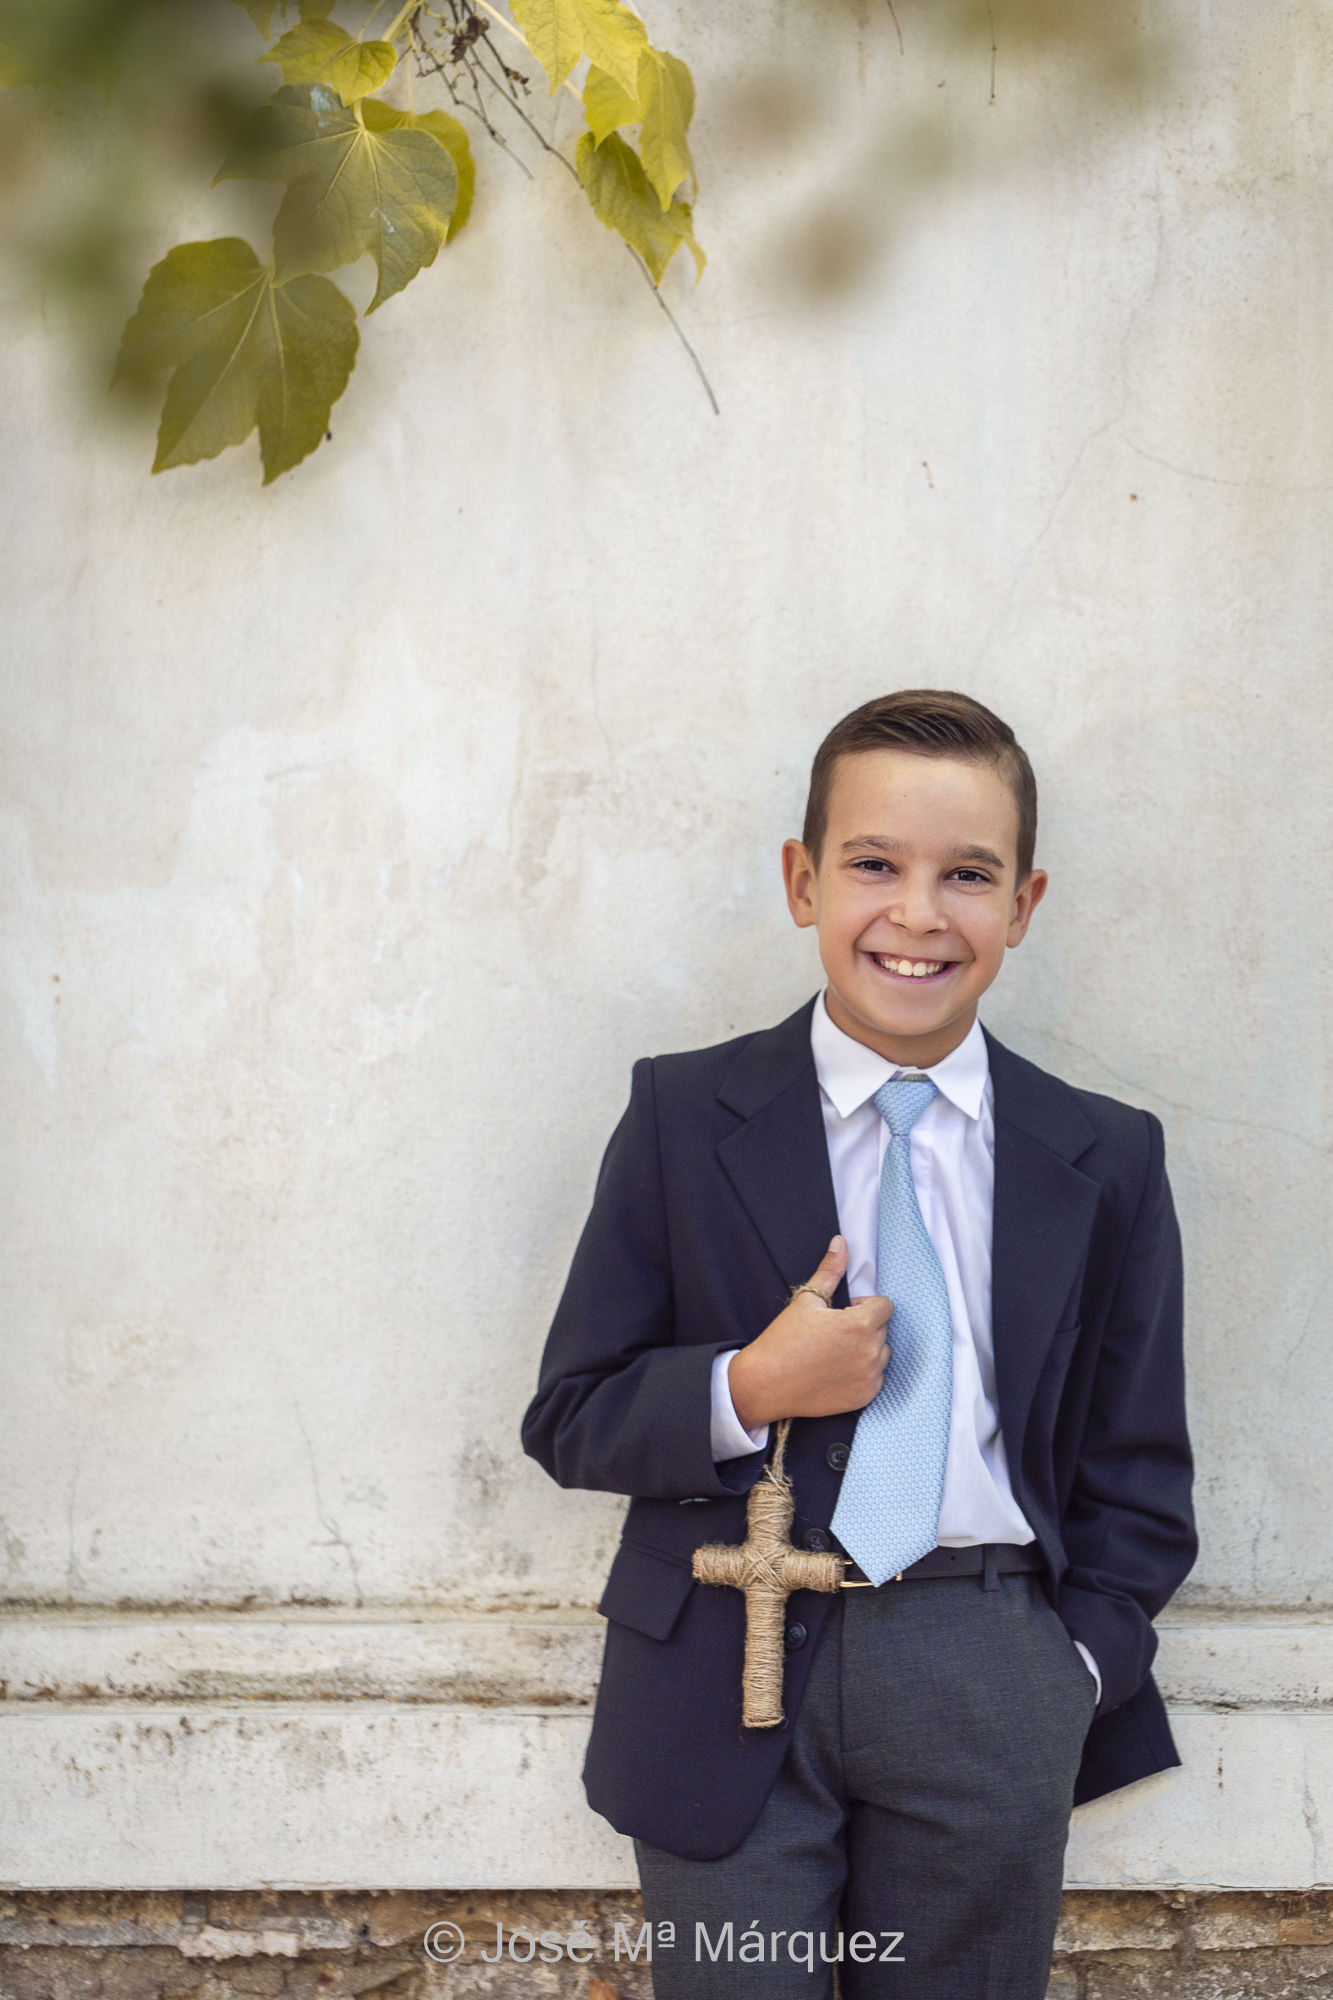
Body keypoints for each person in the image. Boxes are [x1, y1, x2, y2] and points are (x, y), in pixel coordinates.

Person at [521, 690, 1196, 1999]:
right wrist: (747, 1387)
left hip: (985, 1656)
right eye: (873, 865)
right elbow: (572, 1412)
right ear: (801, 879)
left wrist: (1071, 1668)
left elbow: (1136, 1462)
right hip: (726, 1655)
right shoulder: (678, 1116)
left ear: (1023, 904)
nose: (916, 914)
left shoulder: (1102, 1156)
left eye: (966, 876)